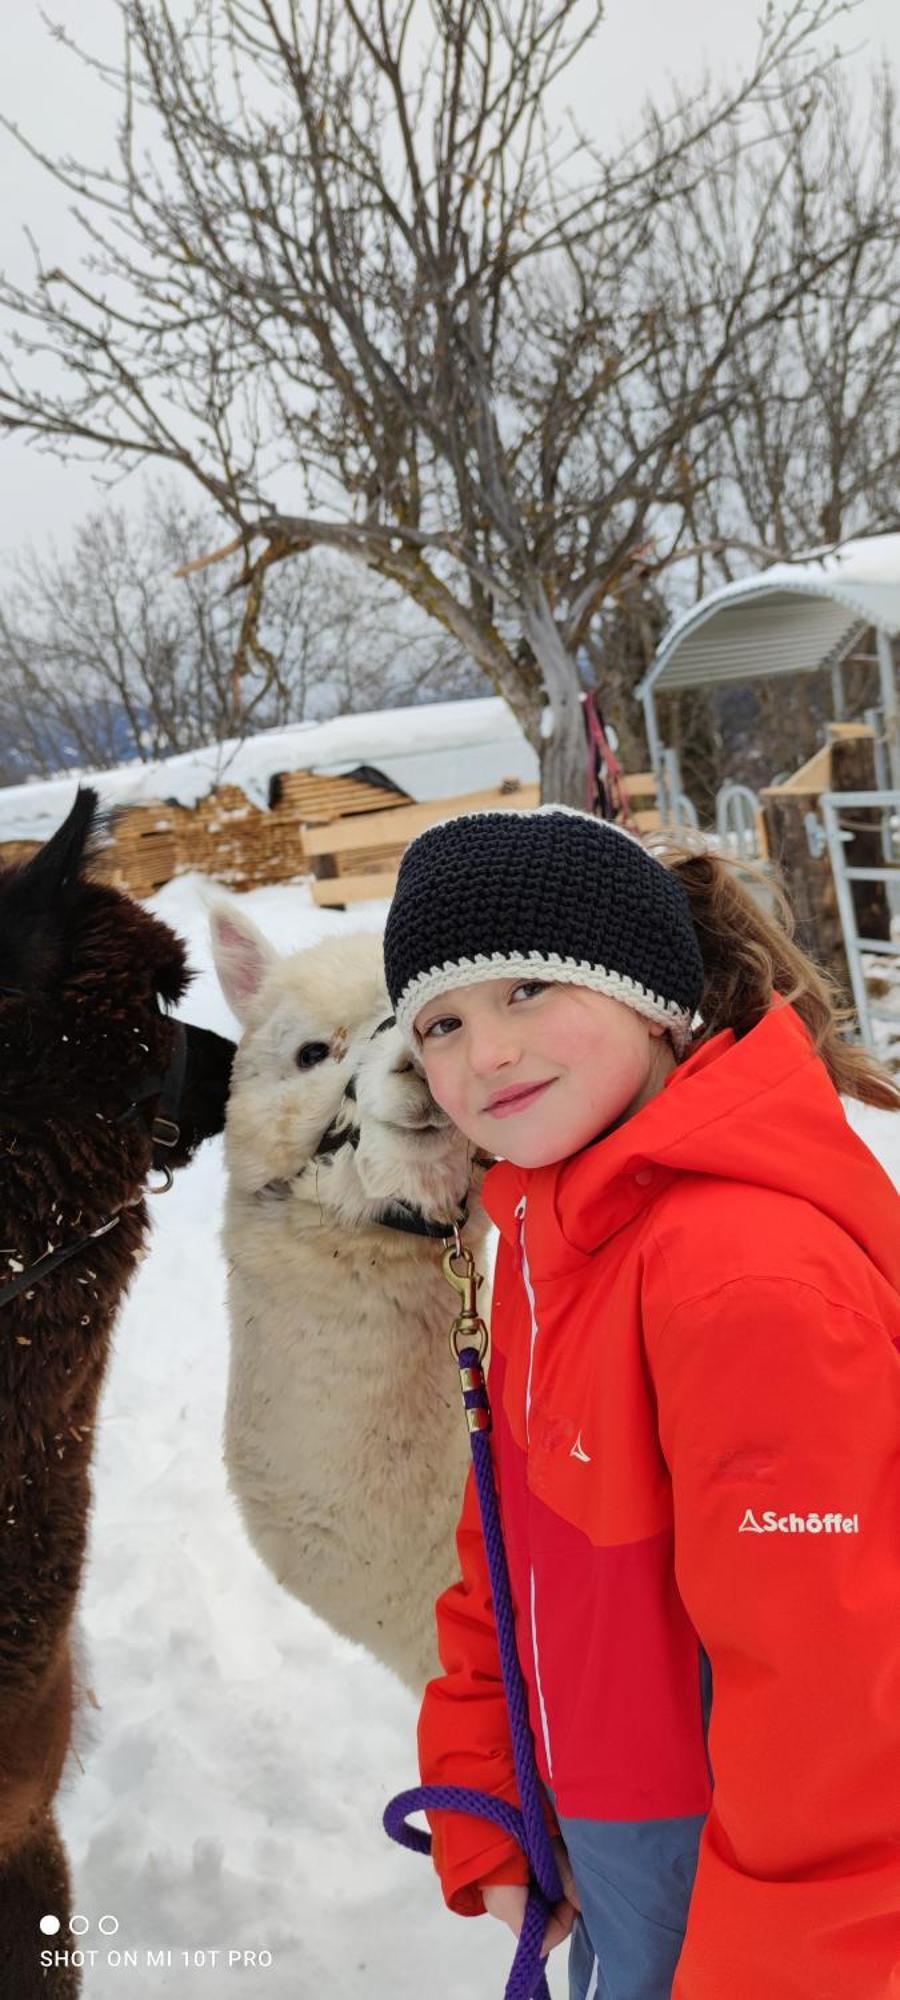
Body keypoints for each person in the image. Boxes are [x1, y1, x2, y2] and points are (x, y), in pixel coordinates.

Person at [381, 803, 900, 2000]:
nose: (486, 1054)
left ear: (651, 995)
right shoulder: (559, 1239)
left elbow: (839, 1707)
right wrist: (496, 1768)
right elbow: (506, 1549)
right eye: (443, 1022)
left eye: (527, 990)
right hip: (620, 1849)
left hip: (755, 1905)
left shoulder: (734, 1278)